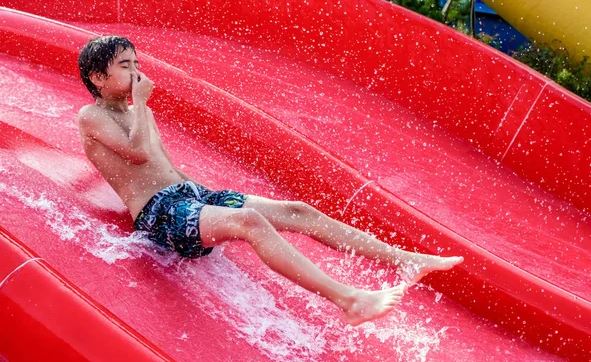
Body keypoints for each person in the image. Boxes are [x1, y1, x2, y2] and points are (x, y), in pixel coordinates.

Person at [77, 35, 463, 326]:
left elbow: (168, 168)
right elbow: (138, 153)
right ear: (98, 77)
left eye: (136, 62)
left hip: (189, 197)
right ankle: (350, 301)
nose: (138, 72)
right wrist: (142, 102)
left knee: (299, 211)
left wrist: (210, 198)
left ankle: (404, 260)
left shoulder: (141, 114)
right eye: (125, 65)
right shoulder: (90, 116)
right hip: (160, 215)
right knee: (251, 223)